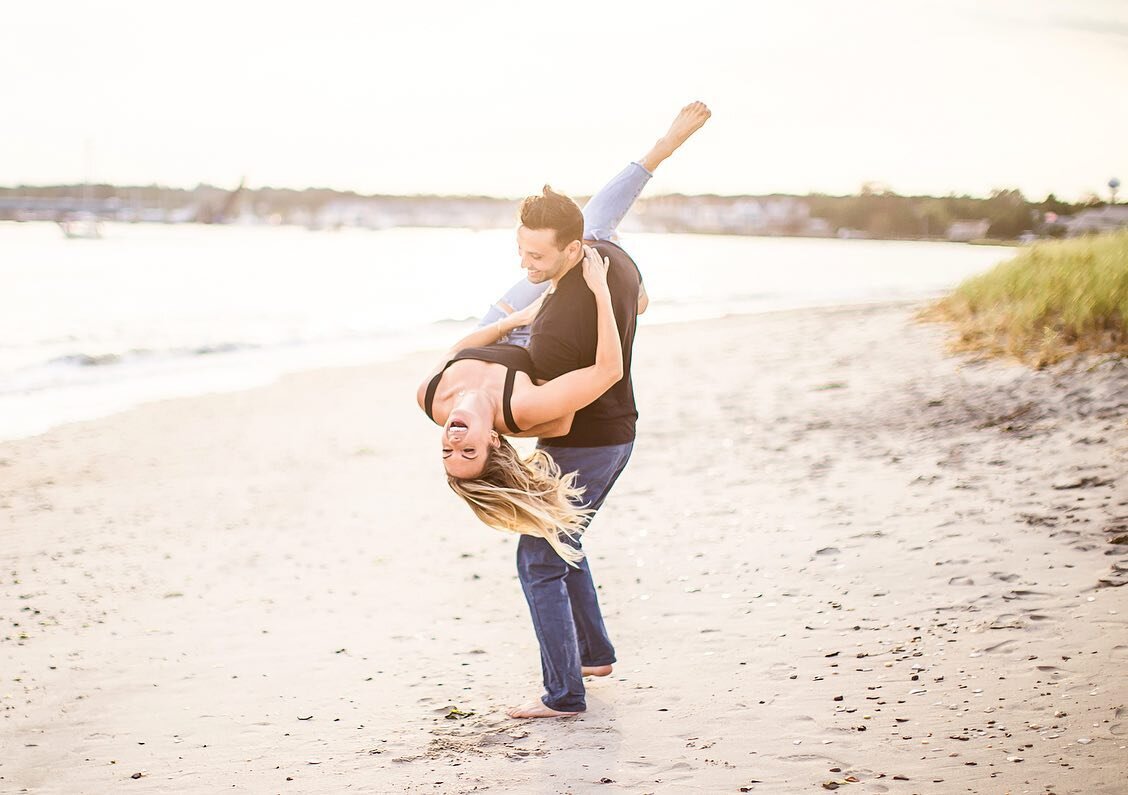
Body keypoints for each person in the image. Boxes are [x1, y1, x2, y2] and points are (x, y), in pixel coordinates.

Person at [418, 101, 712, 718]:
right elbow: (601, 217)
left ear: (570, 250)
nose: (453, 437)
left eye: (536, 258)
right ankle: (593, 655)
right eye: (466, 449)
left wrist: (663, 146)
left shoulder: (549, 320)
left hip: (591, 429)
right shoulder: (587, 271)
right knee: (556, 538)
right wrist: (611, 297)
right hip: (582, 419)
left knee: (541, 557)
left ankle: (565, 694)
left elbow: (602, 213)